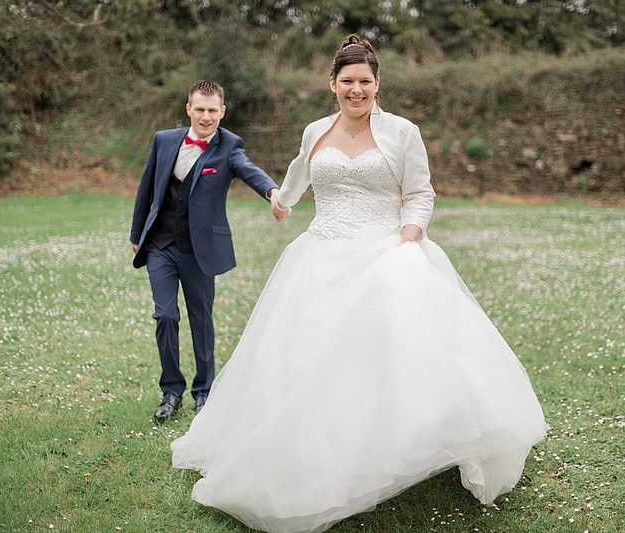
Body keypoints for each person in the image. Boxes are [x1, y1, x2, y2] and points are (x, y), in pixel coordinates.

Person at [170, 36, 547, 532]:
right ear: (332, 84)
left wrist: (409, 239)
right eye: (346, 81)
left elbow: (420, 192)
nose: (356, 89)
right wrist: (280, 201)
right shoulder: (315, 132)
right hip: (320, 253)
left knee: (404, 349)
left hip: (387, 250)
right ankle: (310, 447)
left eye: (364, 81)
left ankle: (413, 439)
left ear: (377, 83)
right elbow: (298, 176)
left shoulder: (402, 132)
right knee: (308, 357)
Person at [129, 80, 280, 422]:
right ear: (189, 109)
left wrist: (272, 192)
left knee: (201, 319)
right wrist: (137, 233)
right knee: (165, 315)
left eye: (213, 110)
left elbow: (249, 171)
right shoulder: (164, 140)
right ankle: (170, 391)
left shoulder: (229, 147)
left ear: (222, 111)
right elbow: (146, 187)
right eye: (200, 109)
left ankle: (204, 392)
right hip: (160, 245)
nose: (206, 116)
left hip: (200, 250)